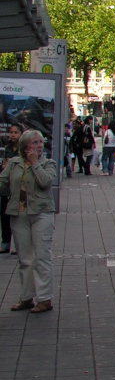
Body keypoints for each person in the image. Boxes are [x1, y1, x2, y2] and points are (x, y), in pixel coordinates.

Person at [1, 129, 58, 313]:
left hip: (42, 213)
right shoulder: (14, 164)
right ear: (25, 146)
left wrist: (34, 164)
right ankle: (26, 298)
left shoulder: (48, 163)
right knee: (25, 259)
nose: (39, 146)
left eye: (41, 142)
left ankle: (45, 299)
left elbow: (45, 182)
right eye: (34, 143)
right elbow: (3, 182)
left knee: (42, 256)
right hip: (19, 214)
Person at [0, 123, 21, 253]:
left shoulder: (23, 149)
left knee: (18, 217)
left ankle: (17, 243)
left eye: (15, 132)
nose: (12, 135)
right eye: (11, 132)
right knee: (4, 215)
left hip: (18, 187)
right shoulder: (8, 147)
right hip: (7, 187)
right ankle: (5, 242)